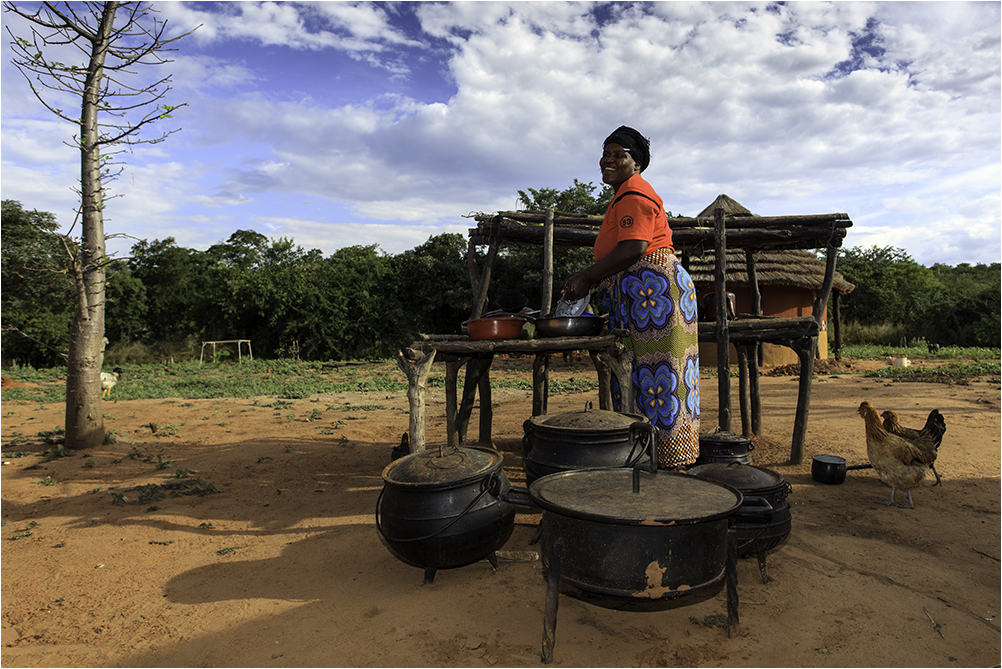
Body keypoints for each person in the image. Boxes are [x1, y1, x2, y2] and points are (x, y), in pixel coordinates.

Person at [561, 126, 700, 468]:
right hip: (647, 295)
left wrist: (586, 277)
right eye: (605, 154)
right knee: (651, 375)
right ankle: (658, 456)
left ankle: (661, 460)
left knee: (657, 376)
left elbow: (634, 247)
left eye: (617, 155)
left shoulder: (634, 193)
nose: (608, 160)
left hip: (653, 295)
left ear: (636, 163)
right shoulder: (626, 194)